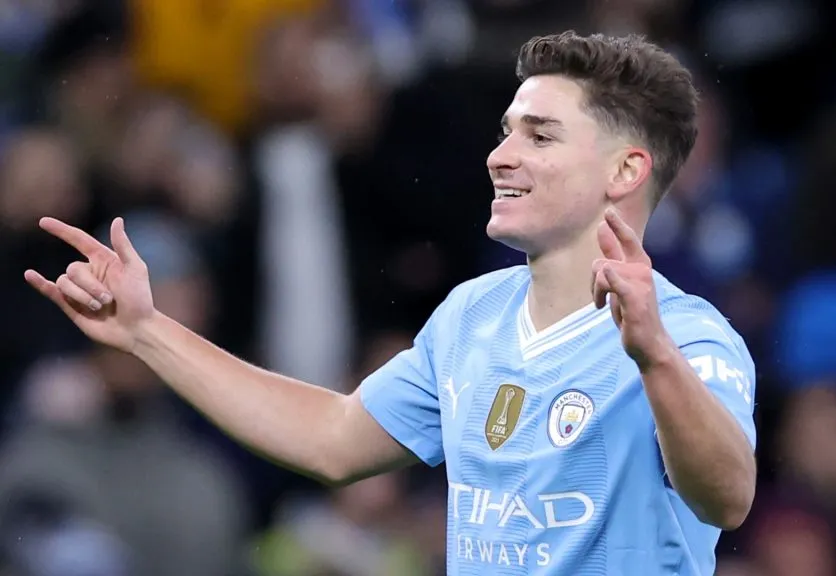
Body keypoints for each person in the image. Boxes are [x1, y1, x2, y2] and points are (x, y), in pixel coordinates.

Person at [24, 31, 758, 575]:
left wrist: (653, 356)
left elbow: (727, 498)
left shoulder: (689, 336)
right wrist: (149, 331)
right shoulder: (471, 316)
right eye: (507, 132)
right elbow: (332, 439)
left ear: (626, 168)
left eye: (540, 136)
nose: (500, 155)